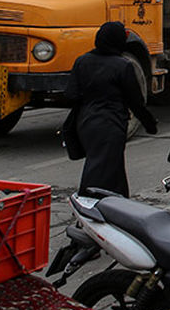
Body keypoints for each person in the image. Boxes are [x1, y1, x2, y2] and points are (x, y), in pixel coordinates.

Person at [64, 21, 158, 196]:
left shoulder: (82, 61)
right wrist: (149, 123)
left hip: (85, 123)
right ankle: (90, 203)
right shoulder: (122, 66)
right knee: (102, 168)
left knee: (110, 166)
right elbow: (135, 101)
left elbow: (71, 95)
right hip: (111, 124)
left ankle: (118, 202)